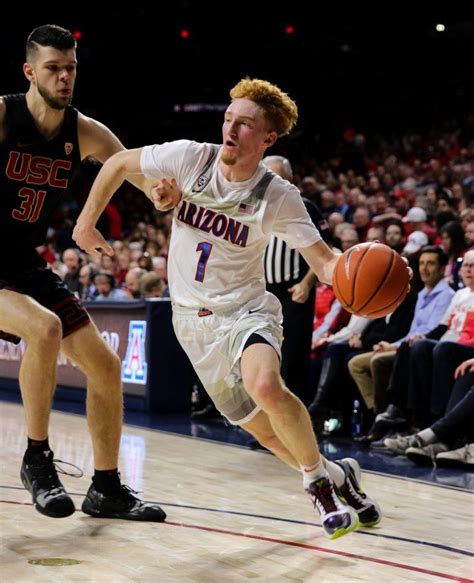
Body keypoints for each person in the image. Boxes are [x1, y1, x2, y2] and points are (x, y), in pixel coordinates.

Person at [73, 77, 396, 539]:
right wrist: (87, 222)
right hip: (192, 322)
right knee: (262, 431)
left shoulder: (278, 195)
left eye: (245, 125)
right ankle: (338, 473)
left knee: (265, 384)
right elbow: (120, 162)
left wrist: (357, 271)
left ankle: (318, 485)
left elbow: (325, 263)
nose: (230, 129)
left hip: (247, 310)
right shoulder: (192, 158)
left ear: (267, 138)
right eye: (228, 119)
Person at [0, 24, 165, 521]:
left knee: (105, 366)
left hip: (22, 262)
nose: (65, 76)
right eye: (53, 67)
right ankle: (36, 458)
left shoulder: (84, 131)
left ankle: (107, 487)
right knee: (44, 327)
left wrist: (164, 194)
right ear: (30, 71)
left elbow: (132, 171)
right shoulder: (4, 115)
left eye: (71, 67)